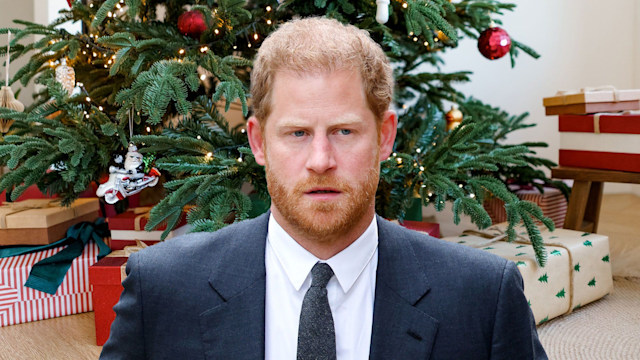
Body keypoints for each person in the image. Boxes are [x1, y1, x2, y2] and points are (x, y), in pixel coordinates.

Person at [100, 17, 547, 359]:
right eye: (297, 133)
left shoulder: (484, 296)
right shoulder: (162, 287)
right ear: (258, 141)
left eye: (344, 132)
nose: (320, 161)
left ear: (385, 136)